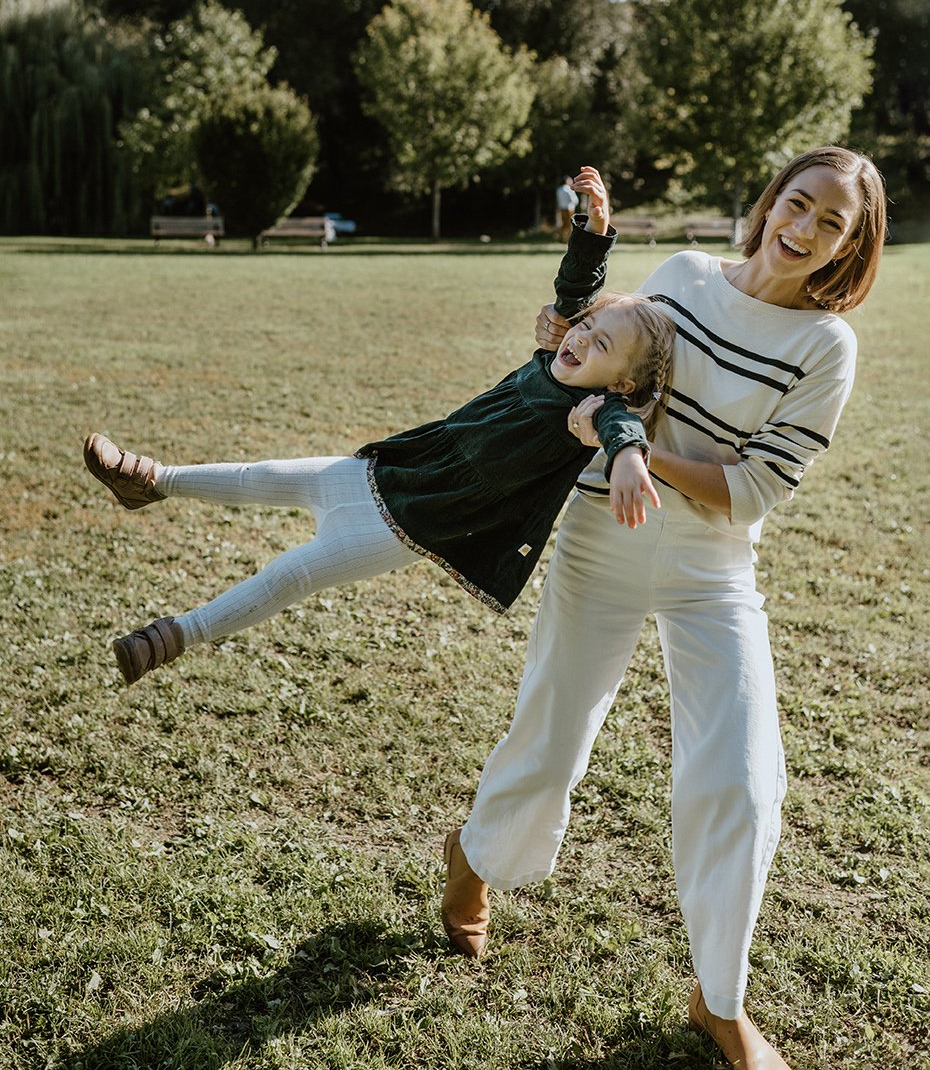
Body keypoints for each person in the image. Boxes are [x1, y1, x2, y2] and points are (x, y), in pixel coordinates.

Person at [440, 147, 887, 1070]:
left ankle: (719, 998)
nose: (802, 230)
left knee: (744, 777)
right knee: (552, 740)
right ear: (771, 202)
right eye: (796, 204)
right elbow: (607, 365)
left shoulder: (825, 346)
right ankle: (476, 856)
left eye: (830, 224)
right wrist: (565, 332)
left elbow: (756, 488)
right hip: (600, 539)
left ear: (850, 246)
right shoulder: (684, 275)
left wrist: (645, 454)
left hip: (711, 569)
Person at [84, 168, 676, 687]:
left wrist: (626, 458)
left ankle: (172, 637)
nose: (580, 339)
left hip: (408, 524)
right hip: (384, 470)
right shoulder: (556, 354)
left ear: (621, 382)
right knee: (264, 475)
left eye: (601, 346)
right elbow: (574, 289)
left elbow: (624, 429)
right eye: (586, 328)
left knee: (291, 574)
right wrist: (592, 229)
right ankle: (150, 479)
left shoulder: (590, 413)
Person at [556, 174, 579, 240]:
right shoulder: (569, 189)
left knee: (563, 224)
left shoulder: (559, 189)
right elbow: (575, 200)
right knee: (570, 224)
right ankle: (569, 238)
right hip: (570, 209)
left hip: (562, 209)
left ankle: (562, 237)